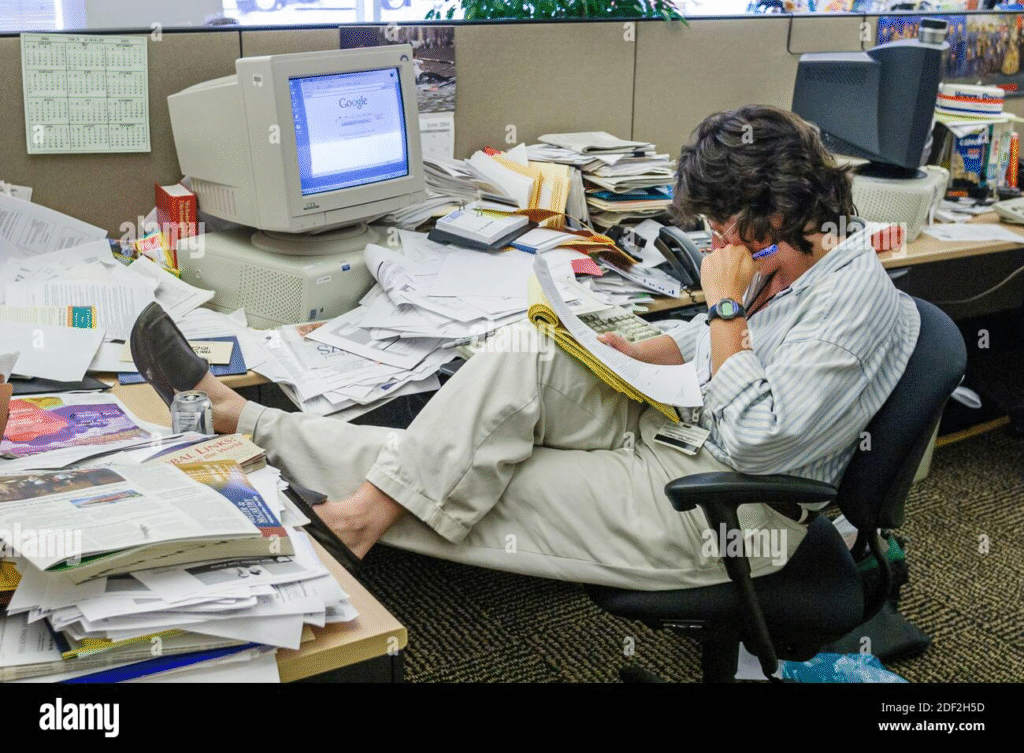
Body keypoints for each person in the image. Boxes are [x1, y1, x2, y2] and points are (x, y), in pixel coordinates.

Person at [134, 105, 920, 591]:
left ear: (777, 209)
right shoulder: (781, 257)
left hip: (723, 502)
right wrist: (633, 347)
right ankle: (249, 423)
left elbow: (760, 435)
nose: (715, 242)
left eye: (722, 228)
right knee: (522, 352)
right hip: (676, 416)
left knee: (485, 474)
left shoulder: (854, 299)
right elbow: (717, 344)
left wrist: (716, 304)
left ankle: (327, 489)